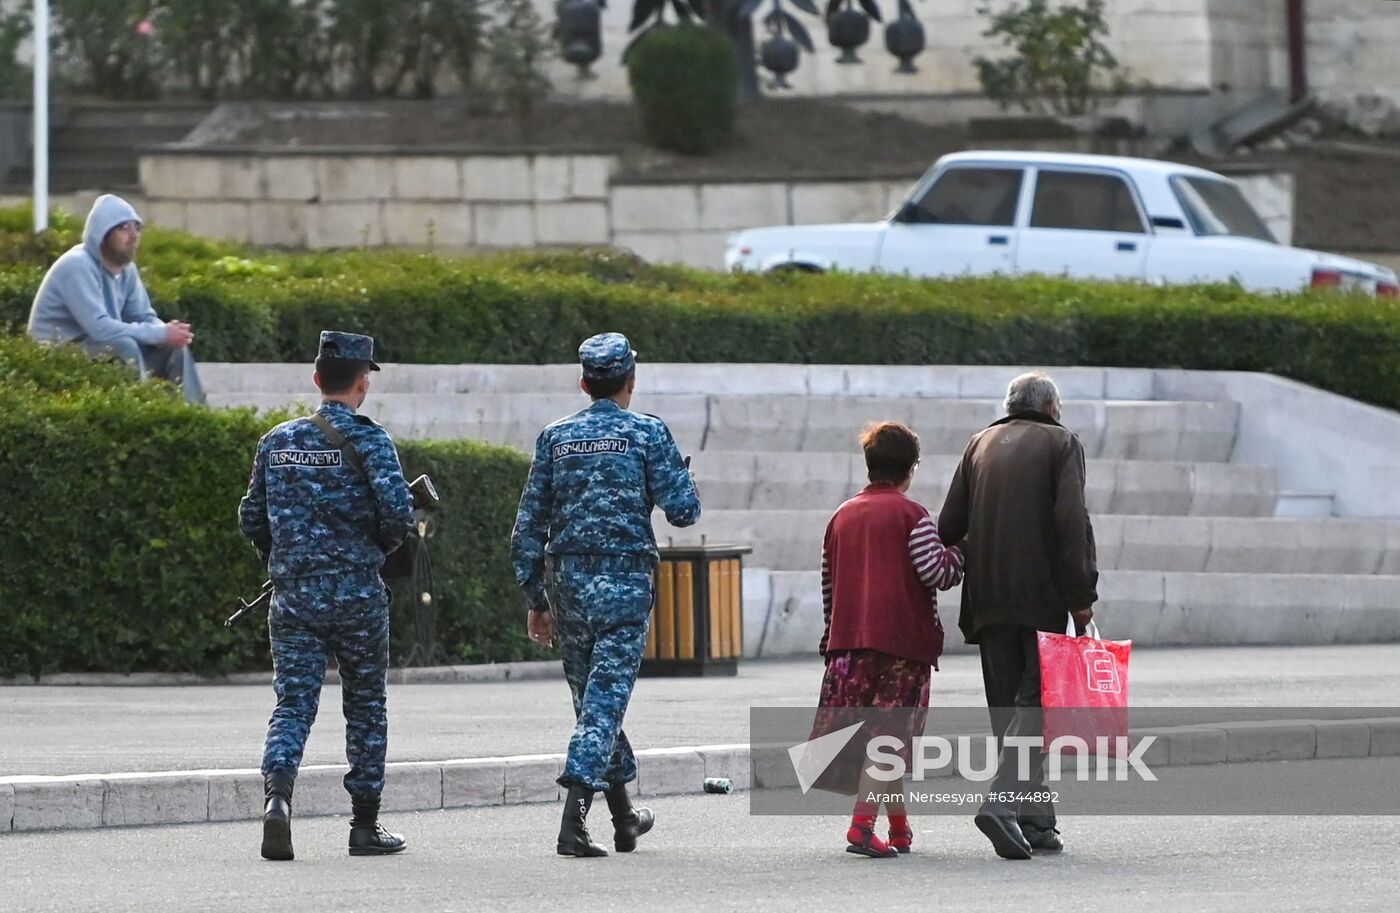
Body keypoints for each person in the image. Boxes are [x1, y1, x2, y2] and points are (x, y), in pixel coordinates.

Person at [510, 332, 701, 858]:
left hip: (567, 583)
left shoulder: (556, 437)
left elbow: (526, 526)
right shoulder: (647, 433)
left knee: (594, 704)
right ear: (630, 381)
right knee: (603, 704)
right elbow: (684, 511)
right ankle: (573, 821)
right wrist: (682, 476)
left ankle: (624, 819)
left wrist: (536, 599)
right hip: (624, 584)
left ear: (583, 382)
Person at [237, 330, 416, 862]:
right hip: (358, 593)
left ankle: (278, 802)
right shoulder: (371, 440)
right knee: (365, 706)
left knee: (293, 704)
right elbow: (400, 518)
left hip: (294, 597)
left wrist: (288, 558)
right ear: (363, 384)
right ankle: (364, 825)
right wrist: (372, 549)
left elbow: (251, 518)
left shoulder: (277, 441)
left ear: (317, 380)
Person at [937, 371, 1098, 860]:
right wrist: (1081, 596)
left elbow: (948, 526)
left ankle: (1038, 823)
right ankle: (1003, 805)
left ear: (1011, 405)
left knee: (1011, 711)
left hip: (986, 598)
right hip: (1040, 595)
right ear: (1051, 407)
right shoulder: (1060, 442)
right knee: (1035, 709)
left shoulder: (978, 443)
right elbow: (1072, 522)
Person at [811, 421, 964, 858]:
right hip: (900, 646)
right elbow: (938, 573)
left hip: (848, 643)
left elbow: (829, 585)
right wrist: (961, 552)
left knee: (883, 735)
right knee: (890, 737)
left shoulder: (840, 516)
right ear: (910, 469)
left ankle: (899, 829)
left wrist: (833, 638)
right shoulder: (913, 516)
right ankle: (862, 827)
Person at [26, 193, 205, 404]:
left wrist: (166, 333)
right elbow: (99, 328)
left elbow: (143, 316)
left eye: (137, 228)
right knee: (123, 346)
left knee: (174, 348)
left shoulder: (127, 270)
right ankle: (140, 415)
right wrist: (158, 333)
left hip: (98, 350)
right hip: (57, 354)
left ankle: (194, 416)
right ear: (102, 233)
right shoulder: (77, 266)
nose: (133, 235)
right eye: (124, 228)